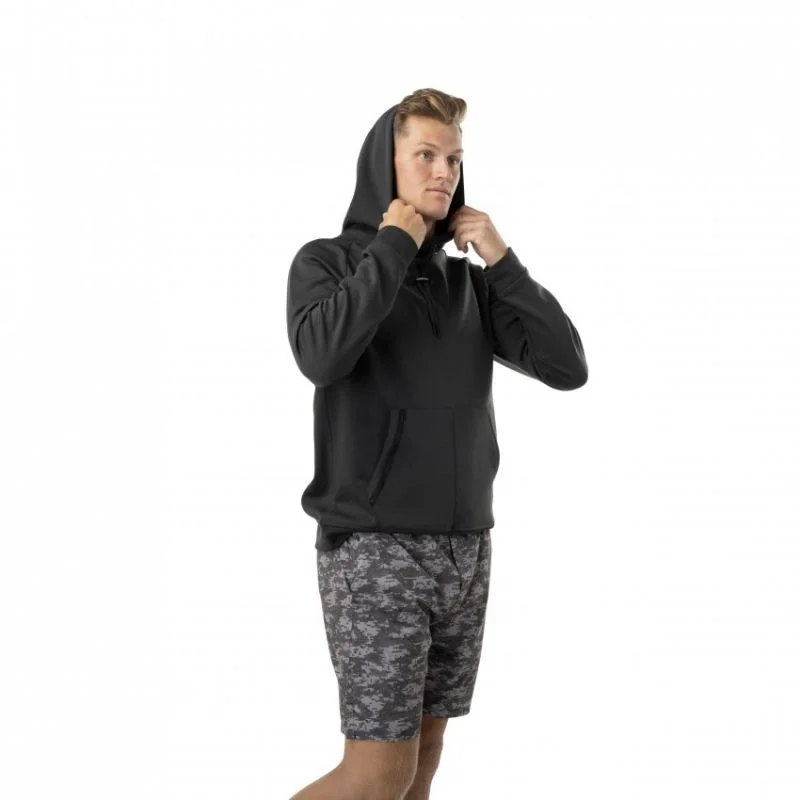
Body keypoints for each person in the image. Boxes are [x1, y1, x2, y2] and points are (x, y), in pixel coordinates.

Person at [286, 88, 588, 799]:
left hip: (466, 548)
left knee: (423, 758)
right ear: (383, 165)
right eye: (425, 154)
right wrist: (392, 245)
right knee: (376, 774)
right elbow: (322, 356)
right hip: (376, 546)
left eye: (453, 158)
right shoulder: (327, 263)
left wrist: (502, 261)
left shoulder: (468, 285)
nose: (444, 172)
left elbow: (567, 366)